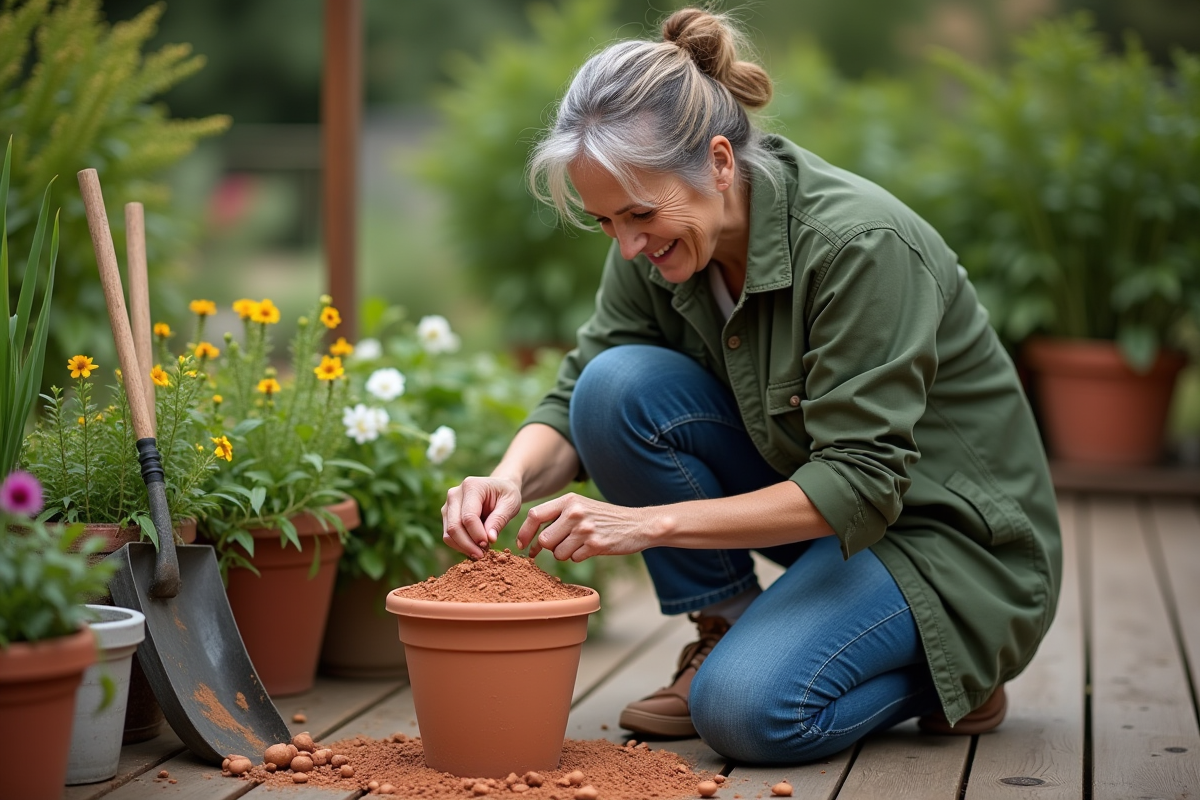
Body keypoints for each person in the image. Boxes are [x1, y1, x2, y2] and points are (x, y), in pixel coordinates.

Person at [440, 7, 1061, 764]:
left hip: (950, 548)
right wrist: (507, 478)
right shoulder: (656, 240)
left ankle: (952, 669)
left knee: (740, 713)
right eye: (606, 222)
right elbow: (578, 398)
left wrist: (648, 525)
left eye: (639, 214)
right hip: (834, 530)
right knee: (614, 386)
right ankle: (729, 626)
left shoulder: (857, 248)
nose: (629, 244)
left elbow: (863, 484)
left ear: (722, 163)